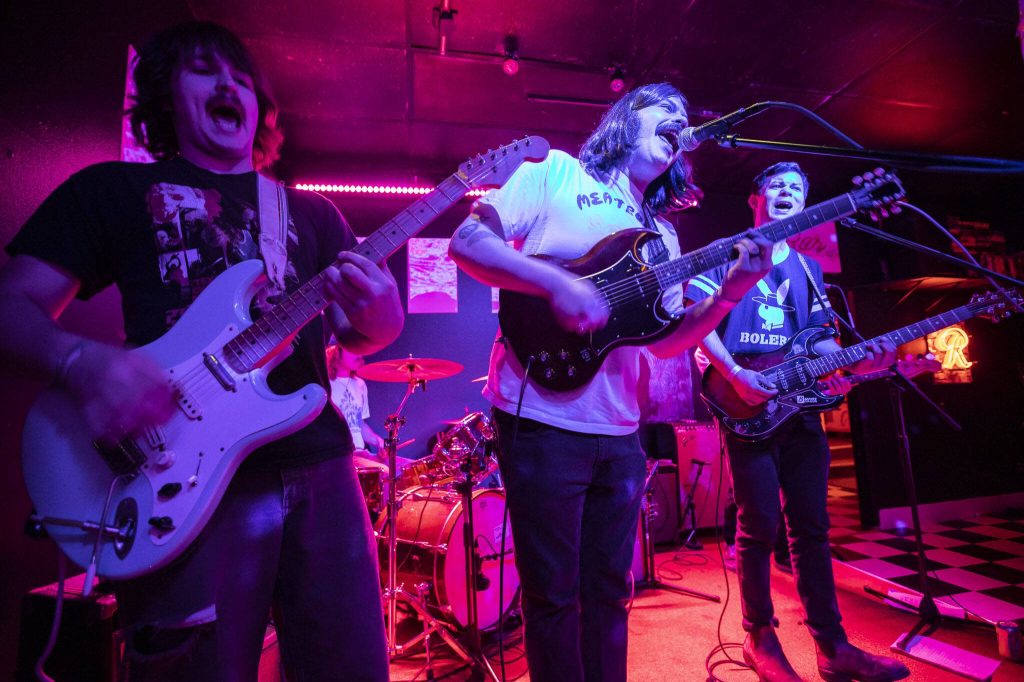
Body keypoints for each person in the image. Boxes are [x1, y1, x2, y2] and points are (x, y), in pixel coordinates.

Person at [0, 21, 403, 681]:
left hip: (321, 468)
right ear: (163, 95)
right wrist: (81, 361)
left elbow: (367, 336)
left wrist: (382, 313)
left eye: (243, 79)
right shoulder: (113, 192)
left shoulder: (312, 215)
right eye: (204, 71)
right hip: (175, 478)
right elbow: (11, 304)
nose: (229, 86)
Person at [449, 82, 774, 681]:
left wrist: (732, 290)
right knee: (552, 597)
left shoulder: (666, 237)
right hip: (541, 417)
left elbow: (669, 343)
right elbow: (467, 242)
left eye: (685, 119)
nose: (678, 123)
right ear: (627, 119)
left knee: (609, 595)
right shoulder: (558, 175)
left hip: (621, 430)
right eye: (665, 111)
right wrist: (556, 284)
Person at [685, 162, 909, 682]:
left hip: (800, 409)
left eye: (797, 189)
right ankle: (758, 638)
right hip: (745, 400)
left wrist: (856, 361)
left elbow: (822, 343)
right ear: (755, 198)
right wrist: (736, 373)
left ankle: (833, 648)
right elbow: (699, 321)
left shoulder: (807, 269)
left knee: (811, 528)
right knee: (758, 524)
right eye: (777, 186)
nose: (787, 193)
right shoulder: (728, 252)